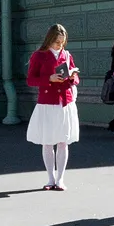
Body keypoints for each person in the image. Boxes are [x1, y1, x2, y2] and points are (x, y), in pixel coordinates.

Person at [26, 23, 80, 191]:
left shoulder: (67, 54)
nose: (60, 45)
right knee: (48, 142)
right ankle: (50, 179)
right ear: (50, 39)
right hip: (47, 103)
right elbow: (30, 80)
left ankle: (60, 179)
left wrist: (71, 77)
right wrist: (49, 78)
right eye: (57, 41)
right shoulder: (39, 55)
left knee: (63, 142)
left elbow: (76, 78)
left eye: (62, 42)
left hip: (65, 102)